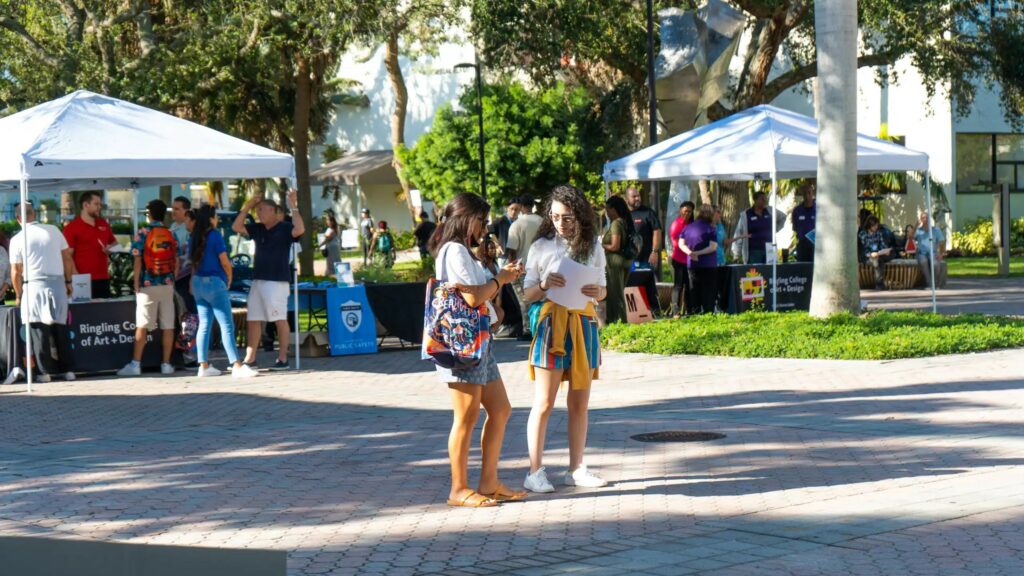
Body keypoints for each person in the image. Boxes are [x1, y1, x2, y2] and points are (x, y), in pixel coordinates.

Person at [428, 192, 526, 507]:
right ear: (465, 219)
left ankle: (489, 481)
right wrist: (502, 278)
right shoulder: (454, 250)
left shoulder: (462, 251)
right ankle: (458, 489)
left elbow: (478, 293)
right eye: (481, 221)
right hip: (462, 345)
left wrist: (497, 276)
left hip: (478, 342)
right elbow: (472, 298)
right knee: (466, 416)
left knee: (500, 410)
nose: (484, 228)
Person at [522, 184, 608, 493]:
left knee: (579, 403)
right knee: (544, 402)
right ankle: (534, 471)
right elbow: (527, 292)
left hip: (583, 322)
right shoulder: (542, 246)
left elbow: (603, 287)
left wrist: (597, 292)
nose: (561, 224)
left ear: (581, 215)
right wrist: (545, 284)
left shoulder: (594, 245)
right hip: (552, 324)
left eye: (567, 217)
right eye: (555, 217)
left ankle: (577, 468)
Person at [233, 191, 304, 371]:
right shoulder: (257, 228)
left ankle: (282, 358)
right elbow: (236, 227)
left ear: (273, 211)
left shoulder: (285, 228)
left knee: (279, 318)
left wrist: (293, 205)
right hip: (258, 280)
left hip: (277, 281)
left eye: (262, 209)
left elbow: (300, 229)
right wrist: (247, 206)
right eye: (257, 210)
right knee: (254, 318)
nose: (259, 213)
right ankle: (251, 358)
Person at [9, 202, 76, 382]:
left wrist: (17, 295)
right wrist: (68, 281)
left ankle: (44, 371)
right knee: (61, 328)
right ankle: (68, 370)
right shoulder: (53, 230)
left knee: (39, 330)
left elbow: (16, 271)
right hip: (57, 282)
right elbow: (67, 257)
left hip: (34, 284)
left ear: (18, 218)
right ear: (35, 214)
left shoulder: (18, 239)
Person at [189, 205, 258, 378]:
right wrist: (228, 278)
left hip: (198, 282)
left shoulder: (194, 237)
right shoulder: (215, 235)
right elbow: (225, 261)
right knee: (227, 324)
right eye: (216, 216)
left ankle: (203, 365)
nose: (217, 219)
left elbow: (193, 263)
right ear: (211, 218)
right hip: (214, 282)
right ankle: (236, 364)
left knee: (204, 324)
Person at [117, 200, 178, 376]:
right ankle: (166, 365)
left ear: (149, 214)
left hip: (147, 285)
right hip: (167, 284)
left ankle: (135, 364)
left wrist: (136, 283)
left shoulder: (143, 233)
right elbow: (176, 260)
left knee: (142, 325)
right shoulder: (170, 234)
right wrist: (171, 279)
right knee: (168, 326)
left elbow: (137, 260)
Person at [62, 191, 119, 298]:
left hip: (103, 277)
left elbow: (115, 243)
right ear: (85, 205)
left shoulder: (103, 223)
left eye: (100, 204)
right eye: (96, 204)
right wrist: (75, 277)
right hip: (82, 279)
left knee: (104, 312)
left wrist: (110, 248)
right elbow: (67, 256)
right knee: (85, 312)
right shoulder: (71, 228)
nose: (99, 207)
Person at [506, 194, 543, 338]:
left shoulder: (516, 225)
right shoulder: (542, 222)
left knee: (524, 300)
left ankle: (528, 329)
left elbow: (512, 250)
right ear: (533, 204)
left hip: (522, 269)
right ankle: (540, 326)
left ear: (521, 206)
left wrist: (511, 269)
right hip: (541, 268)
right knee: (540, 299)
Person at [680, 204, 720, 314]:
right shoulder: (710, 229)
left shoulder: (688, 227)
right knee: (708, 291)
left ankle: (695, 312)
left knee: (694, 290)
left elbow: (681, 244)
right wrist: (698, 253)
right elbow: (713, 247)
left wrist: (690, 253)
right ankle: (708, 314)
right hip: (708, 265)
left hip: (692, 265)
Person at [601, 195, 634, 324]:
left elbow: (615, 246)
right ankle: (619, 321)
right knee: (619, 292)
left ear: (615, 209)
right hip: (625, 261)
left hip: (615, 262)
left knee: (615, 294)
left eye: (608, 210)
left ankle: (617, 322)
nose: (607, 213)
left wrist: (600, 245)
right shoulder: (625, 221)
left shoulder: (616, 223)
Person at [732, 191, 785, 264]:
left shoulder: (769, 210)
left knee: (770, 272)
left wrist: (775, 229)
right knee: (755, 273)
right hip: (754, 251)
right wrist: (736, 255)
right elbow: (739, 234)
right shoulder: (746, 214)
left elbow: (783, 217)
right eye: (762, 199)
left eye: (765, 199)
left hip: (770, 248)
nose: (765, 201)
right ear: (755, 200)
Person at [668, 201, 694, 317]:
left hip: (690, 260)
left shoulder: (692, 224)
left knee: (689, 286)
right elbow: (676, 243)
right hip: (679, 259)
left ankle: (689, 309)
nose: (687, 214)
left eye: (689, 211)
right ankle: (675, 311)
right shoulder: (676, 224)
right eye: (685, 211)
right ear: (680, 211)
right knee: (678, 285)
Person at [858, 214, 894, 290]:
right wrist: (871, 254)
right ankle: (879, 284)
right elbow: (863, 249)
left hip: (878, 254)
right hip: (867, 256)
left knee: (889, 254)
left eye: (877, 225)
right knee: (878, 261)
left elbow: (882, 244)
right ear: (869, 225)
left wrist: (885, 250)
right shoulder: (863, 234)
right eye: (874, 226)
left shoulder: (878, 233)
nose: (876, 227)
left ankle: (879, 284)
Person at [915, 211, 945, 289]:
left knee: (935, 264)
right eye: (923, 218)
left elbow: (942, 242)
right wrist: (915, 226)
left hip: (933, 252)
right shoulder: (918, 231)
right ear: (921, 220)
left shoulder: (936, 230)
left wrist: (941, 254)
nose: (925, 219)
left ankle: (935, 284)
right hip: (921, 253)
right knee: (923, 261)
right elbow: (910, 237)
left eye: (926, 218)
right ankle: (930, 284)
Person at [489, 196, 520, 265]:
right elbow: (488, 232)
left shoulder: (520, 222)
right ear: (507, 208)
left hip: (517, 257)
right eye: (512, 208)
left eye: (516, 209)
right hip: (504, 257)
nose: (514, 211)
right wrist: (496, 245)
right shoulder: (500, 221)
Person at [792, 183, 816, 262]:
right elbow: (795, 227)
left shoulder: (819, 209)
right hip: (802, 244)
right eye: (805, 193)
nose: (807, 195)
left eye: (809, 192)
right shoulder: (797, 210)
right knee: (802, 268)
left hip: (815, 245)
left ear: (813, 193)